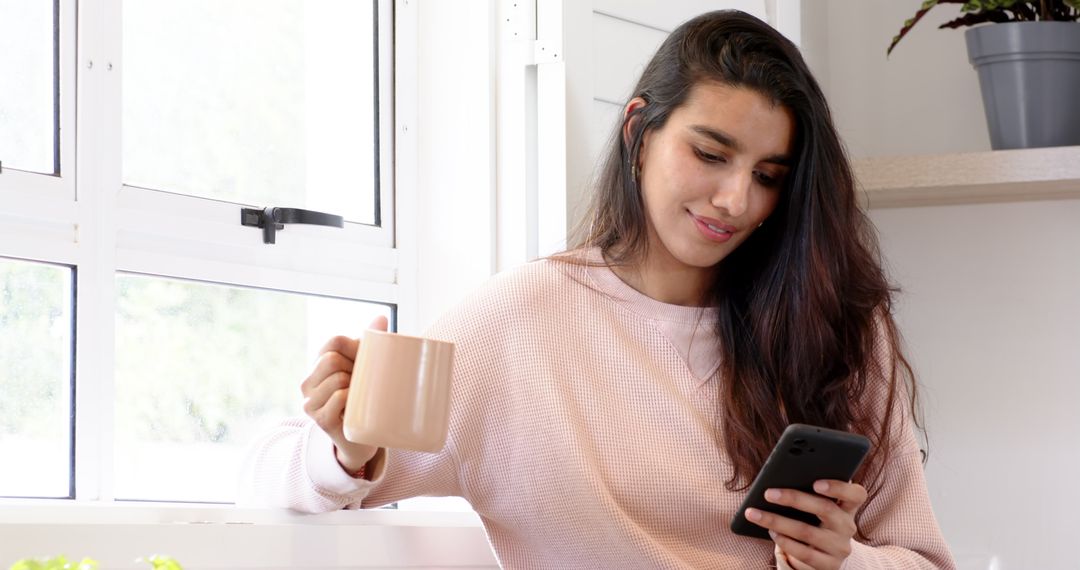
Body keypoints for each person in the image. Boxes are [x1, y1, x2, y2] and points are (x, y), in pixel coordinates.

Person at [241, 10, 956, 569]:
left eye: (769, 176)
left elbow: (923, 560)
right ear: (639, 131)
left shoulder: (834, 328)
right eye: (710, 154)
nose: (736, 200)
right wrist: (344, 446)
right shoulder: (518, 322)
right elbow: (268, 475)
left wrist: (846, 561)